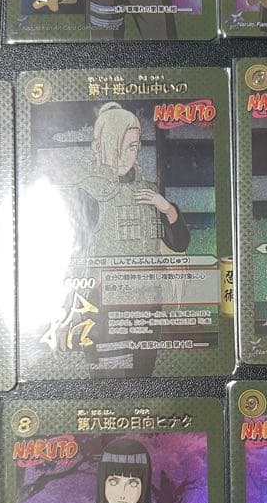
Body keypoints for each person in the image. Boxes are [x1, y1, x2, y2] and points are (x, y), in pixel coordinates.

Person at [68, 100, 190, 375]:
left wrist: (167, 209)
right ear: (99, 146)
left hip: (148, 303)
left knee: (143, 375)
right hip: (106, 306)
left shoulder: (149, 191)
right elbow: (72, 252)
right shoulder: (87, 192)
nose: (126, 156)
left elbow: (180, 243)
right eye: (118, 146)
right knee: (109, 378)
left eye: (132, 146)